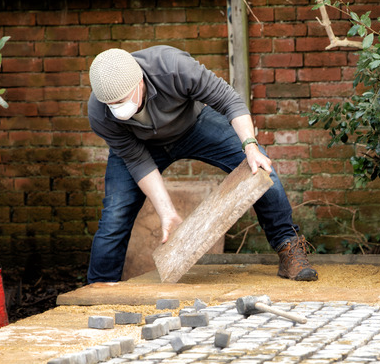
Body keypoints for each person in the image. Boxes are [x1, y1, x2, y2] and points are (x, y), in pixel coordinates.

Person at [86, 45, 318, 283]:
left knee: (259, 166)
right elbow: (137, 161)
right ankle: (99, 287)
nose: (117, 109)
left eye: (122, 100)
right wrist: (167, 213)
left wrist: (250, 146)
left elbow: (229, 100)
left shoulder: (173, 66)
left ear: (140, 81)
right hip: (140, 145)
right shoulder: (99, 112)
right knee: (115, 216)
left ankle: (289, 249)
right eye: (111, 104)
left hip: (193, 125)